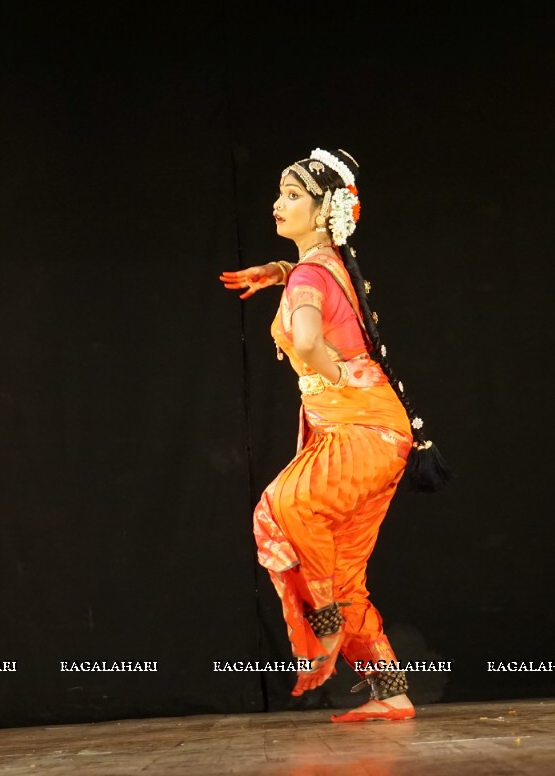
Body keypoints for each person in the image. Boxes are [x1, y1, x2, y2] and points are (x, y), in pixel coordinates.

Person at [220, 148, 448, 722]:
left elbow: (303, 337)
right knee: (346, 571)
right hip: (381, 431)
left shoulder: (312, 276)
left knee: (281, 508)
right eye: (280, 193)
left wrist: (326, 366)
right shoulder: (322, 267)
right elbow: (312, 289)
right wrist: (278, 271)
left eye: (293, 195)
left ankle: (324, 626)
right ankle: (390, 691)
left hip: (358, 429)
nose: (278, 203)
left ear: (325, 211)